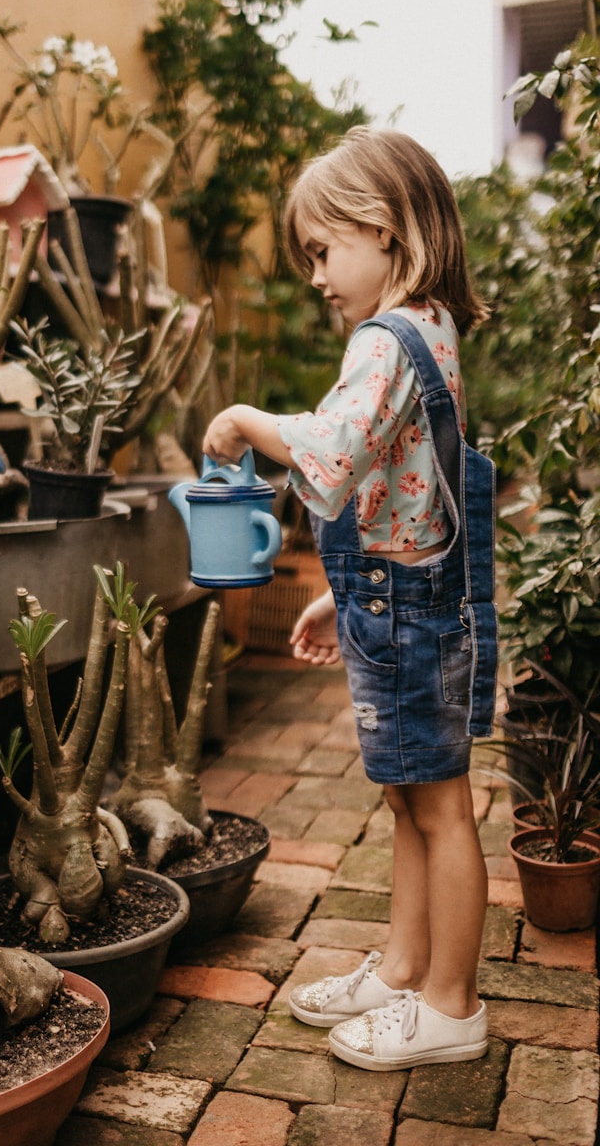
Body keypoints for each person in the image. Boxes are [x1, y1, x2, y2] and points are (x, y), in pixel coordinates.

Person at [202, 126, 498, 1072]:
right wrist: (345, 596)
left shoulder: (387, 337)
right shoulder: (428, 332)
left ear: (383, 229)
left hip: (408, 609)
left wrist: (247, 420)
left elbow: (331, 451)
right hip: (403, 594)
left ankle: (451, 1002)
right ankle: (408, 967)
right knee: (412, 801)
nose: (317, 276)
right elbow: (407, 484)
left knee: (439, 807)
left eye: (323, 252)